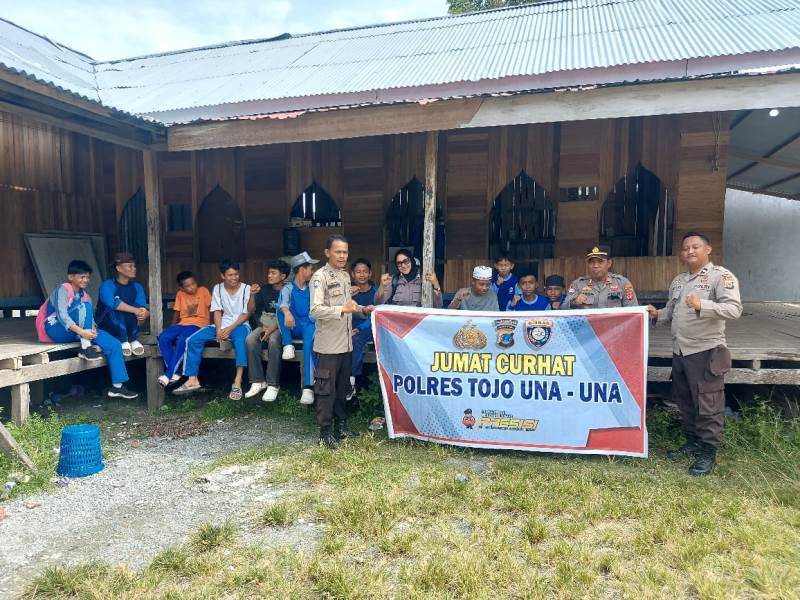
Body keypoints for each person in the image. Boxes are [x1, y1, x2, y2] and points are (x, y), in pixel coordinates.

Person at [646, 231, 742, 476]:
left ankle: (708, 451)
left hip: (705, 350)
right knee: (685, 400)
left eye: (695, 246)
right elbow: (671, 311)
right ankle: (692, 442)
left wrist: (703, 305)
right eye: (686, 247)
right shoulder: (679, 281)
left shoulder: (720, 276)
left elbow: (734, 309)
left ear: (707, 249)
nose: (689, 251)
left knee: (708, 403)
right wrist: (657, 314)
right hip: (680, 351)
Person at [37, 260, 137, 399]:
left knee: (113, 343)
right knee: (84, 307)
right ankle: (85, 347)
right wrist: (83, 332)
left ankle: (117, 387)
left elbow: (90, 321)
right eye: (82, 277)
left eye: (88, 277)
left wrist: (93, 330)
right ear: (71, 277)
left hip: (79, 332)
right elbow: (62, 316)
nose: (86, 280)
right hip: (55, 330)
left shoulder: (86, 296)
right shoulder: (63, 290)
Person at [310, 235, 373, 449]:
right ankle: (325, 433)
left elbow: (348, 304)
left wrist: (362, 310)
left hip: (346, 343)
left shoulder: (345, 276)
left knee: (342, 387)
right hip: (328, 345)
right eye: (338, 251)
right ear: (327, 252)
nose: (342, 256)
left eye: (345, 252)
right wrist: (342, 309)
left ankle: (341, 427)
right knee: (326, 390)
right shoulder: (320, 277)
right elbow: (315, 310)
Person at [174, 259, 252, 401]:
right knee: (192, 340)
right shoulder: (218, 288)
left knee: (240, 341)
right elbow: (216, 311)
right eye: (230, 275)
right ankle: (192, 379)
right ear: (222, 276)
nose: (234, 277)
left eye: (236, 274)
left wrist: (229, 329)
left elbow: (247, 314)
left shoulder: (247, 288)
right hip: (221, 323)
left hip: (240, 324)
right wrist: (218, 330)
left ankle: (237, 381)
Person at [244, 259, 290, 402]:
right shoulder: (264, 290)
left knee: (274, 340)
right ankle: (258, 381)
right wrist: (252, 294)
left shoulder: (289, 290)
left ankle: (273, 384)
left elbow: (287, 315)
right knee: (250, 339)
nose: (269, 275)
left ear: (283, 276)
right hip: (265, 323)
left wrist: (270, 330)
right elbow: (252, 310)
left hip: (282, 325)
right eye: (269, 273)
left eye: (273, 273)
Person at [277, 251, 319, 405]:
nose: (312, 272)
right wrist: (287, 312)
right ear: (302, 269)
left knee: (308, 345)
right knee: (280, 310)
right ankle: (287, 344)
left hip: (309, 325)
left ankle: (308, 387)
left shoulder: (313, 287)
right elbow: (283, 304)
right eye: (311, 269)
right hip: (293, 325)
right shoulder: (288, 288)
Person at [157, 271, 212, 387]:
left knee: (183, 339)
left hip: (199, 324)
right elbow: (177, 312)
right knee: (163, 337)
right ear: (182, 288)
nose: (192, 287)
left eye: (193, 283)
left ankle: (168, 374)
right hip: (182, 324)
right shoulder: (180, 294)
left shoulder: (203, 291)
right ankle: (176, 371)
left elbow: (213, 308)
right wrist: (172, 327)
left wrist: (214, 326)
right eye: (188, 286)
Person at [95, 252, 149, 357]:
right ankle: (124, 340)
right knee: (116, 307)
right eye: (130, 266)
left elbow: (141, 307)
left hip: (130, 326)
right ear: (119, 268)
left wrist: (144, 313)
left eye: (134, 266)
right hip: (107, 326)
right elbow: (113, 304)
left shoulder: (137, 287)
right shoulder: (107, 285)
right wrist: (136, 310)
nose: (134, 269)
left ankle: (131, 339)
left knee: (135, 308)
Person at [561, 246, 638, 309]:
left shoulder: (622, 283)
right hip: (588, 324)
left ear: (609, 263)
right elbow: (563, 309)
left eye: (600, 262)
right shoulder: (578, 284)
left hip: (614, 324)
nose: (595, 266)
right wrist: (574, 302)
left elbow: (633, 310)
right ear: (587, 264)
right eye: (592, 262)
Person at [348, 258, 377, 401]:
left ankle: (351, 380)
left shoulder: (376, 292)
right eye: (358, 272)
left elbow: (376, 315)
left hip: (368, 327)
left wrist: (359, 328)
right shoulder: (348, 292)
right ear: (352, 274)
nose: (362, 275)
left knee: (356, 339)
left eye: (365, 271)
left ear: (370, 273)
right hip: (349, 327)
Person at [376, 249, 442, 308]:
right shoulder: (393, 280)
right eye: (399, 263)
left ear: (412, 261)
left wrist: (436, 283)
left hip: (419, 318)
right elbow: (377, 303)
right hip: (397, 318)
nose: (403, 265)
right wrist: (382, 286)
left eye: (406, 261)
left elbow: (438, 305)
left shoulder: (425, 279)